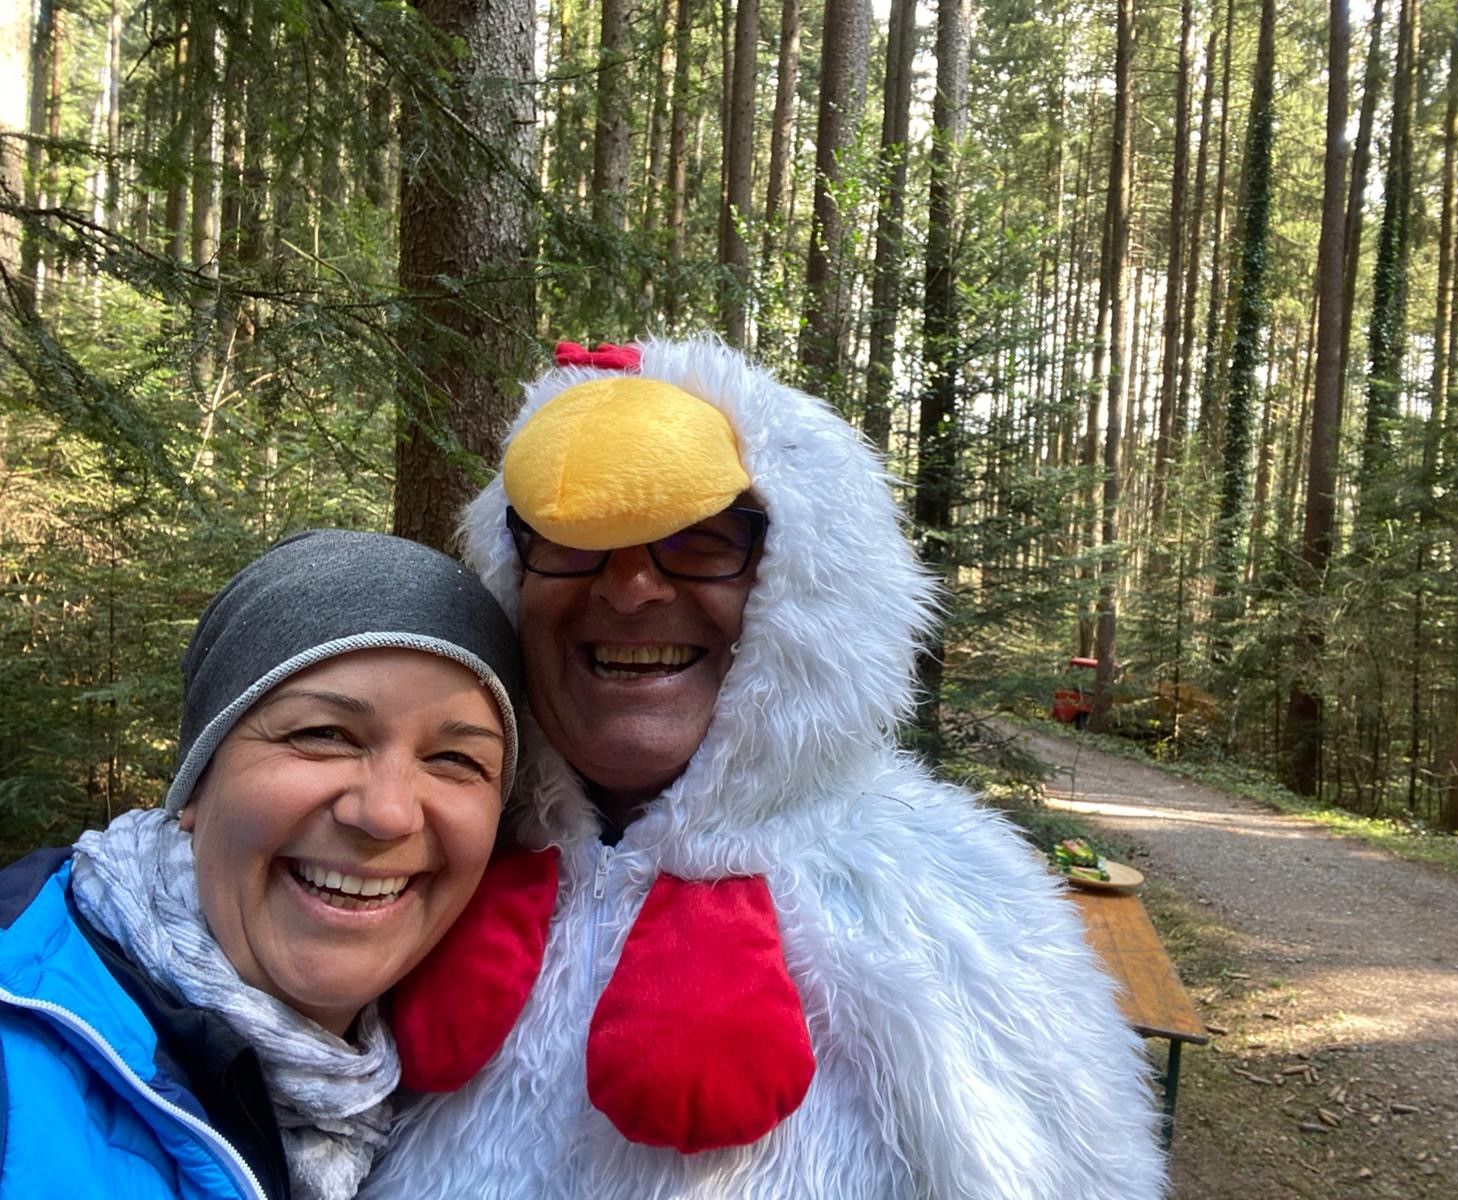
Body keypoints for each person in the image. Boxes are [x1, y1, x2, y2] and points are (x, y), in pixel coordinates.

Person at [371, 338, 1167, 1198]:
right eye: (574, 537)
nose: (630, 588)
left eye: (705, 538)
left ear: (810, 587)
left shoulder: (958, 914)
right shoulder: (405, 854)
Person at [0, 530, 525, 1200]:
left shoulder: (454, 1096)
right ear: (197, 780)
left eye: (455, 759)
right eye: (323, 734)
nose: (388, 813)